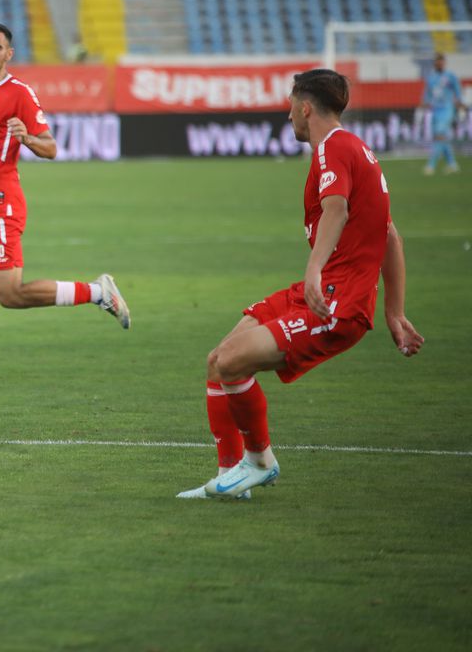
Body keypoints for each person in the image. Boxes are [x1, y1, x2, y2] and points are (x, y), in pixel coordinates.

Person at [178, 69, 425, 501]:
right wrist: (394, 311)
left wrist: (315, 269)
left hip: (336, 301)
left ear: (305, 107)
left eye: (291, 104)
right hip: (324, 288)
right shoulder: (357, 150)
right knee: (219, 360)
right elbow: (389, 235)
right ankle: (233, 479)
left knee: (234, 359)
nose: (288, 112)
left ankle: (260, 462)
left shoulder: (333, 147)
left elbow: (336, 210)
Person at [0, 23, 130, 384]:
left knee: (10, 295)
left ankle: (97, 292)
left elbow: (50, 147)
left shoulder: (19, 94)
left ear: (8, 54)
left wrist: (27, 137)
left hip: (0, 206)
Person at [421, 53, 465, 175]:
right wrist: (425, 103)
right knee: (441, 138)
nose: (439, 64)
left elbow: (458, 90)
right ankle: (452, 164)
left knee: (439, 136)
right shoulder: (431, 78)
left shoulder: (450, 76)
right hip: (435, 110)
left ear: (444, 63)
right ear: (435, 63)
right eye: (437, 62)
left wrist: (459, 102)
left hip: (447, 109)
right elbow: (427, 94)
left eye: (441, 61)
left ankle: (431, 165)